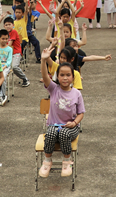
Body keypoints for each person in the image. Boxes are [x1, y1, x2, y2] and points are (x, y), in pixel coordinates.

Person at [38, 46, 84, 180]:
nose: (65, 78)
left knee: (64, 133)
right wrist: (43, 61)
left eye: (68, 75)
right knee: (51, 132)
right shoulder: (53, 89)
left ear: (73, 76)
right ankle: (47, 161)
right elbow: (44, 75)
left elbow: (81, 113)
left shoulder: (76, 93)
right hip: (54, 125)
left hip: (71, 127)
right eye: (62, 75)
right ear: (57, 76)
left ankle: (67, 161)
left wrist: (74, 123)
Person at [0, 17, 29, 87]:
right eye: (6, 25)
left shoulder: (14, 32)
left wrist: (2, 45)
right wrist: (0, 19)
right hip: (7, 54)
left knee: (14, 66)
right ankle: (2, 83)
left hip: (16, 52)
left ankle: (25, 79)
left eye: (9, 24)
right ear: (4, 26)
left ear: (13, 25)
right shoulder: (5, 33)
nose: (8, 26)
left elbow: (9, 44)